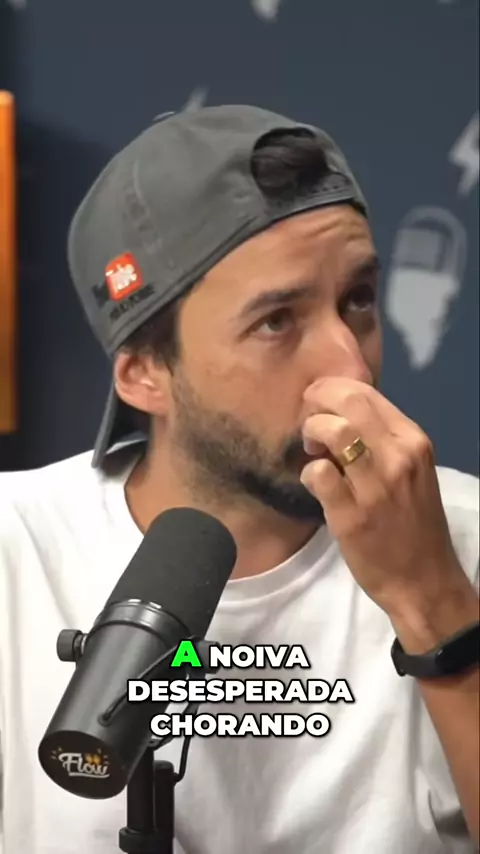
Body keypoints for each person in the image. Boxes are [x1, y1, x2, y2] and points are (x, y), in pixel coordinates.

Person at [0, 104, 478, 854]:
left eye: (357, 300)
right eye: (276, 322)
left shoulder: (465, 536)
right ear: (146, 373)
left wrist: (433, 601)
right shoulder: (14, 550)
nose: (352, 365)